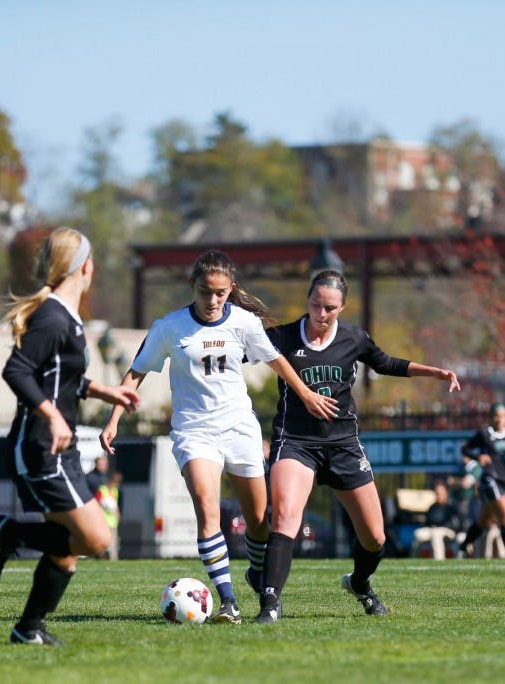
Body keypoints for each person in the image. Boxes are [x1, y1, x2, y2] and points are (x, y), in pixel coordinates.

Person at [101, 250, 338, 624]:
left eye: (221, 293)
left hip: (239, 427)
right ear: (192, 286)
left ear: (231, 289)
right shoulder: (170, 327)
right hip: (194, 431)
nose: (213, 301)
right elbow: (136, 372)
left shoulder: (244, 323)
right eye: (206, 292)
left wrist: (306, 394)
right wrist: (114, 417)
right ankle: (228, 601)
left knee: (259, 521)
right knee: (208, 509)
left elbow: (277, 360)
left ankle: (256, 574)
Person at [255, 269, 460, 623]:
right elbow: (237, 350)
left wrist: (435, 372)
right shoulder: (283, 337)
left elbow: (386, 363)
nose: (321, 314)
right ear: (308, 300)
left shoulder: (353, 338)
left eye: (330, 308)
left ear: (343, 307)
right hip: (296, 441)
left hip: (343, 444)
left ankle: (359, 583)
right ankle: (270, 604)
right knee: (286, 516)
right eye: (316, 305)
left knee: (375, 537)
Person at [0, 227, 140, 646]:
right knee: (95, 537)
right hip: (41, 445)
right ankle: (11, 533)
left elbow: (60, 378)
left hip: (59, 446)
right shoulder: (53, 317)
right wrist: (52, 415)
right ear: (85, 266)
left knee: (67, 549)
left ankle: (28, 629)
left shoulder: (66, 319)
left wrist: (103, 391)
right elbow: (17, 371)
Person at [460, 403, 505, 559]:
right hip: (489, 480)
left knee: (484, 520)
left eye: (502, 416)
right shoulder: (484, 434)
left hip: (503, 481)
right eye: (496, 415)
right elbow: (465, 449)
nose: (499, 419)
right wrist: (478, 457)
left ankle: (462, 548)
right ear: (490, 417)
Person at [411, 481, 461, 560]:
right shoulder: (433, 507)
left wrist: (439, 527)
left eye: (440, 493)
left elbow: (455, 524)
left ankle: (439, 560)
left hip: (448, 531)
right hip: (433, 530)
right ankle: (414, 560)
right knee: (417, 533)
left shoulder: (451, 507)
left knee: (437, 533)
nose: (438, 496)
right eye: (436, 493)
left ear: (446, 493)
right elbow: (427, 522)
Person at [95, 470, 123, 560]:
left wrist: (117, 513)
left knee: (113, 542)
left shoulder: (115, 491)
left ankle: (113, 558)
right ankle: (101, 557)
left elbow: (115, 504)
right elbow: (97, 503)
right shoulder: (102, 490)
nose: (117, 485)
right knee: (103, 541)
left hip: (113, 521)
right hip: (103, 521)